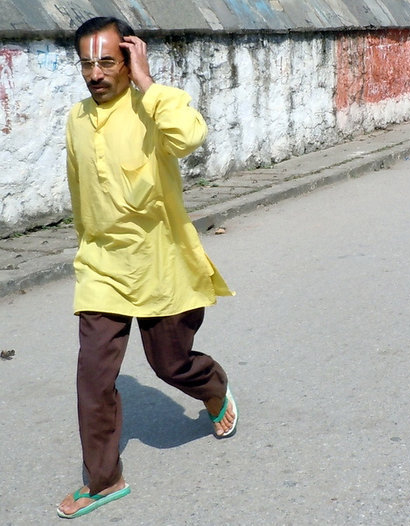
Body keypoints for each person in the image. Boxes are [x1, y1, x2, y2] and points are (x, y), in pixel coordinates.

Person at [57, 17, 237, 519]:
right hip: (102, 268)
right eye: (86, 63)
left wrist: (148, 82)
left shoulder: (155, 107)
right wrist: (85, 248)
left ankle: (214, 389)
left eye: (107, 61)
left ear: (129, 56)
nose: (95, 73)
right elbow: (79, 190)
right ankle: (104, 479)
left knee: (170, 364)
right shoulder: (76, 118)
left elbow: (189, 137)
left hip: (161, 265)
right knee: (93, 378)